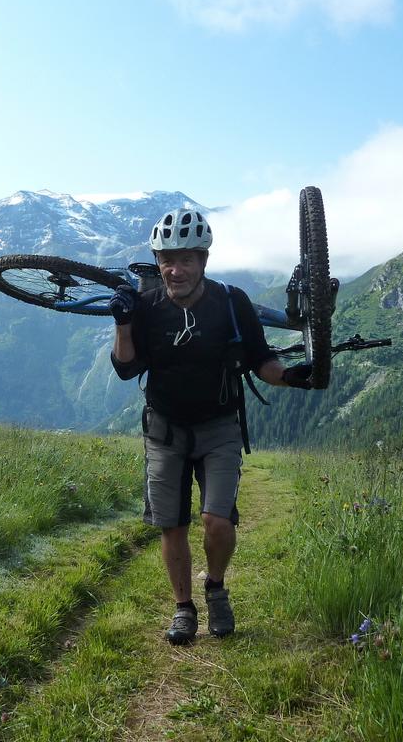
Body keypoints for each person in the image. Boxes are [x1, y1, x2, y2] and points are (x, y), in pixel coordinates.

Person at [109, 207, 312, 645]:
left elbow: (262, 361)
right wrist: (123, 322)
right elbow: (126, 368)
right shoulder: (146, 307)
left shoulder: (231, 301)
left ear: (203, 260)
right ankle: (184, 610)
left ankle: (215, 588)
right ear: (157, 259)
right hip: (164, 429)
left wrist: (294, 376)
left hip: (219, 427)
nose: (175, 268)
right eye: (167, 258)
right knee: (173, 525)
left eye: (186, 259)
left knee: (217, 522)